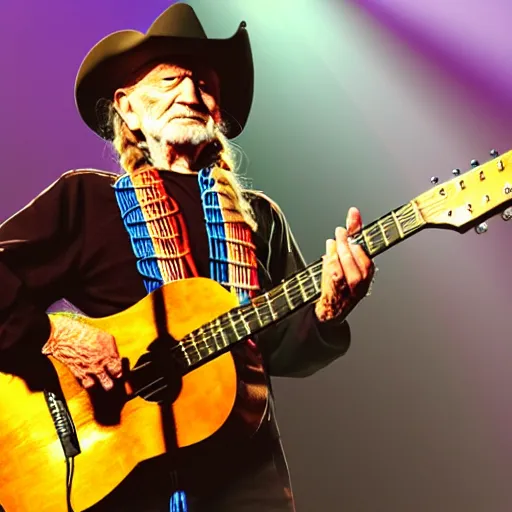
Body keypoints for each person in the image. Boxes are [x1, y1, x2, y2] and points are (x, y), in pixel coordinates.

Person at [0, 3, 374, 511]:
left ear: (219, 112)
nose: (191, 94)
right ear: (127, 107)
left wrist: (328, 311)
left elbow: (283, 349)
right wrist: (55, 333)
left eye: (204, 83)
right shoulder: (87, 201)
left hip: (246, 473)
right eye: (173, 79)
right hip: (120, 476)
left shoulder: (259, 218)